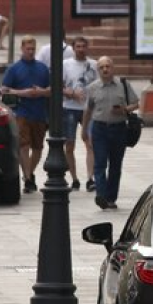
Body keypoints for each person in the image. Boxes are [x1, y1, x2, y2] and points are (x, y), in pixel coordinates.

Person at [82, 56, 139, 210]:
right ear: (98, 70)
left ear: (113, 68)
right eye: (101, 67)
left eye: (108, 66)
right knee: (99, 164)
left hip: (118, 129)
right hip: (99, 129)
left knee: (115, 165)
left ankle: (111, 198)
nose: (105, 69)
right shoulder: (93, 88)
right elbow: (88, 110)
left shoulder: (123, 85)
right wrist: (84, 130)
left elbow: (135, 103)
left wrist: (125, 110)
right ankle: (101, 195)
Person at [0, 36, 50, 193]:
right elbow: (4, 90)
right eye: (28, 49)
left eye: (33, 49)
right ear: (22, 48)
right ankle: (27, 178)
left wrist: (40, 92)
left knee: (38, 147)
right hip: (21, 111)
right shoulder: (14, 69)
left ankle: (30, 172)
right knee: (24, 145)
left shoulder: (43, 68)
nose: (31, 52)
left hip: (40, 112)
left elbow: (51, 89)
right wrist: (23, 93)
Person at [61, 36, 98, 192]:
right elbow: (58, 85)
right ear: (73, 48)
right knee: (69, 145)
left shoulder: (94, 65)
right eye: (78, 46)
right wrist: (69, 93)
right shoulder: (65, 64)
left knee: (91, 143)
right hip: (69, 107)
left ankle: (90, 178)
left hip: (88, 109)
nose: (81, 49)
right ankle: (74, 179)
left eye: (83, 46)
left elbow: (99, 85)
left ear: (87, 47)